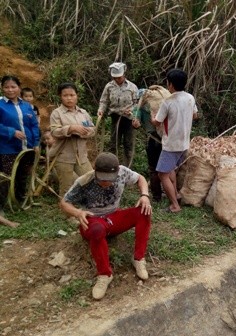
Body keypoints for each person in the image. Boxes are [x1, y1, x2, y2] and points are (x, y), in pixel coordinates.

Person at [59, 152, 152, 300]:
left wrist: (144, 195)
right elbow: (64, 203)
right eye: (102, 179)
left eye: (110, 179)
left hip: (114, 217)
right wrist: (77, 213)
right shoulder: (84, 181)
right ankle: (104, 275)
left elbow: (140, 178)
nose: (106, 183)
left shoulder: (122, 172)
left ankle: (138, 258)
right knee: (96, 230)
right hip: (93, 221)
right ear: (95, 170)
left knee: (144, 212)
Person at [151, 69, 198, 213]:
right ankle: (176, 195)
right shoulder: (190, 98)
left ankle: (174, 205)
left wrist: (152, 116)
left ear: (170, 85)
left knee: (162, 174)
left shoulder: (168, 102)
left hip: (171, 145)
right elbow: (195, 115)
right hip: (184, 143)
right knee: (171, 169)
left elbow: (157, 122)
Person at [0, 75, 40, 227]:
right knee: (6, 178)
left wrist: (35, 142)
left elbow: (33, 125)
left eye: (13, 87)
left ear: (19, 88)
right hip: (7, 148)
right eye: (6, 87)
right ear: (2, 88)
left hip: (27, 148)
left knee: (23, 175)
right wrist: (11, 132)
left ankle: (20, 200)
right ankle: (1, 207)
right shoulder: (1, 105)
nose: (10, 90)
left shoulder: (26, 106)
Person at [49, 83, 96, 196]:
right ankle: (68, 212)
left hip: (82, 156)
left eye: (72, 95)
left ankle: (90, 207)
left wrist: (84, 132)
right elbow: (54, 132)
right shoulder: (57, 113)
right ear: (60, 96)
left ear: (77, 95)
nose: (69, 98)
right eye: (65, 95)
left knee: (91, 180)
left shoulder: (83, 113)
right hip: (64, 156)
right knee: (66, 188)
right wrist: (70, 129)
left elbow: (93, 129)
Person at [132, 85, 171, 202]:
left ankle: (157, 196)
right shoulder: (162, 104)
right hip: (167, 140)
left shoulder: (139, 108)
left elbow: (136, 122)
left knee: (153, 169)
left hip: (153, 141)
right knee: (167, 169)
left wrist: (136, 123)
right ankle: (168, 193)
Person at [97, 62, 138, 167]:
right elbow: (104, 101)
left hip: (128, 119)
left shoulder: (132, 87)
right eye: (115, 78)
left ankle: (128, 167)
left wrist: (132, 110)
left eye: (119, 77)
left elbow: (137, 103)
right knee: (114, 143)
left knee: (128, 144)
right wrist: (101, 110)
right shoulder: (109, 87)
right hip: (115, 117)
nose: (117, 80)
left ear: (124, 75)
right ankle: (112, 166)